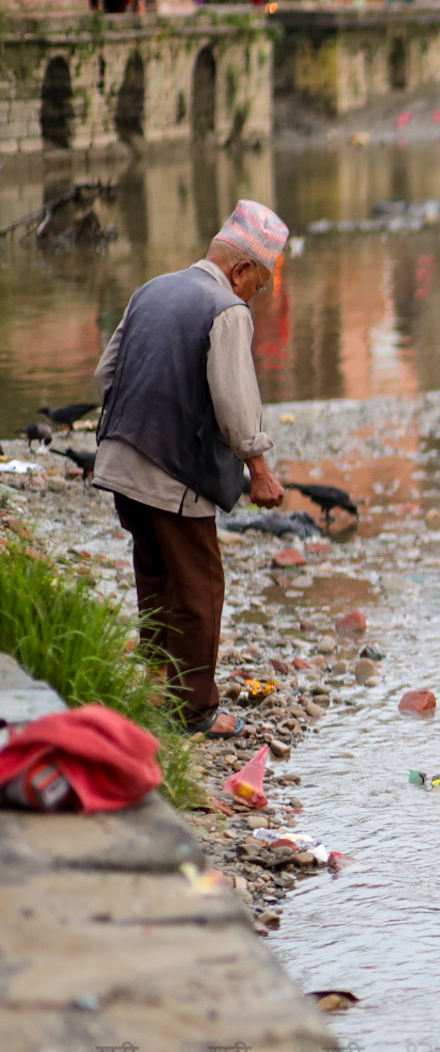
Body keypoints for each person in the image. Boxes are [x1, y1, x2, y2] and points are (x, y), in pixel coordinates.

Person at [93, 199, 290, 739]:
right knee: (200, 587)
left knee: (154, 570)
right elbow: (235, 403)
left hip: (119, 459)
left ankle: (155, 682)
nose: (260, 294)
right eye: (261, 282)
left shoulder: (151, 289)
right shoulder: (225, 309)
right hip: (172, 472)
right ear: (241, 269)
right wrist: (261, 470)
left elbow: (106, 374)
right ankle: (194, 710)